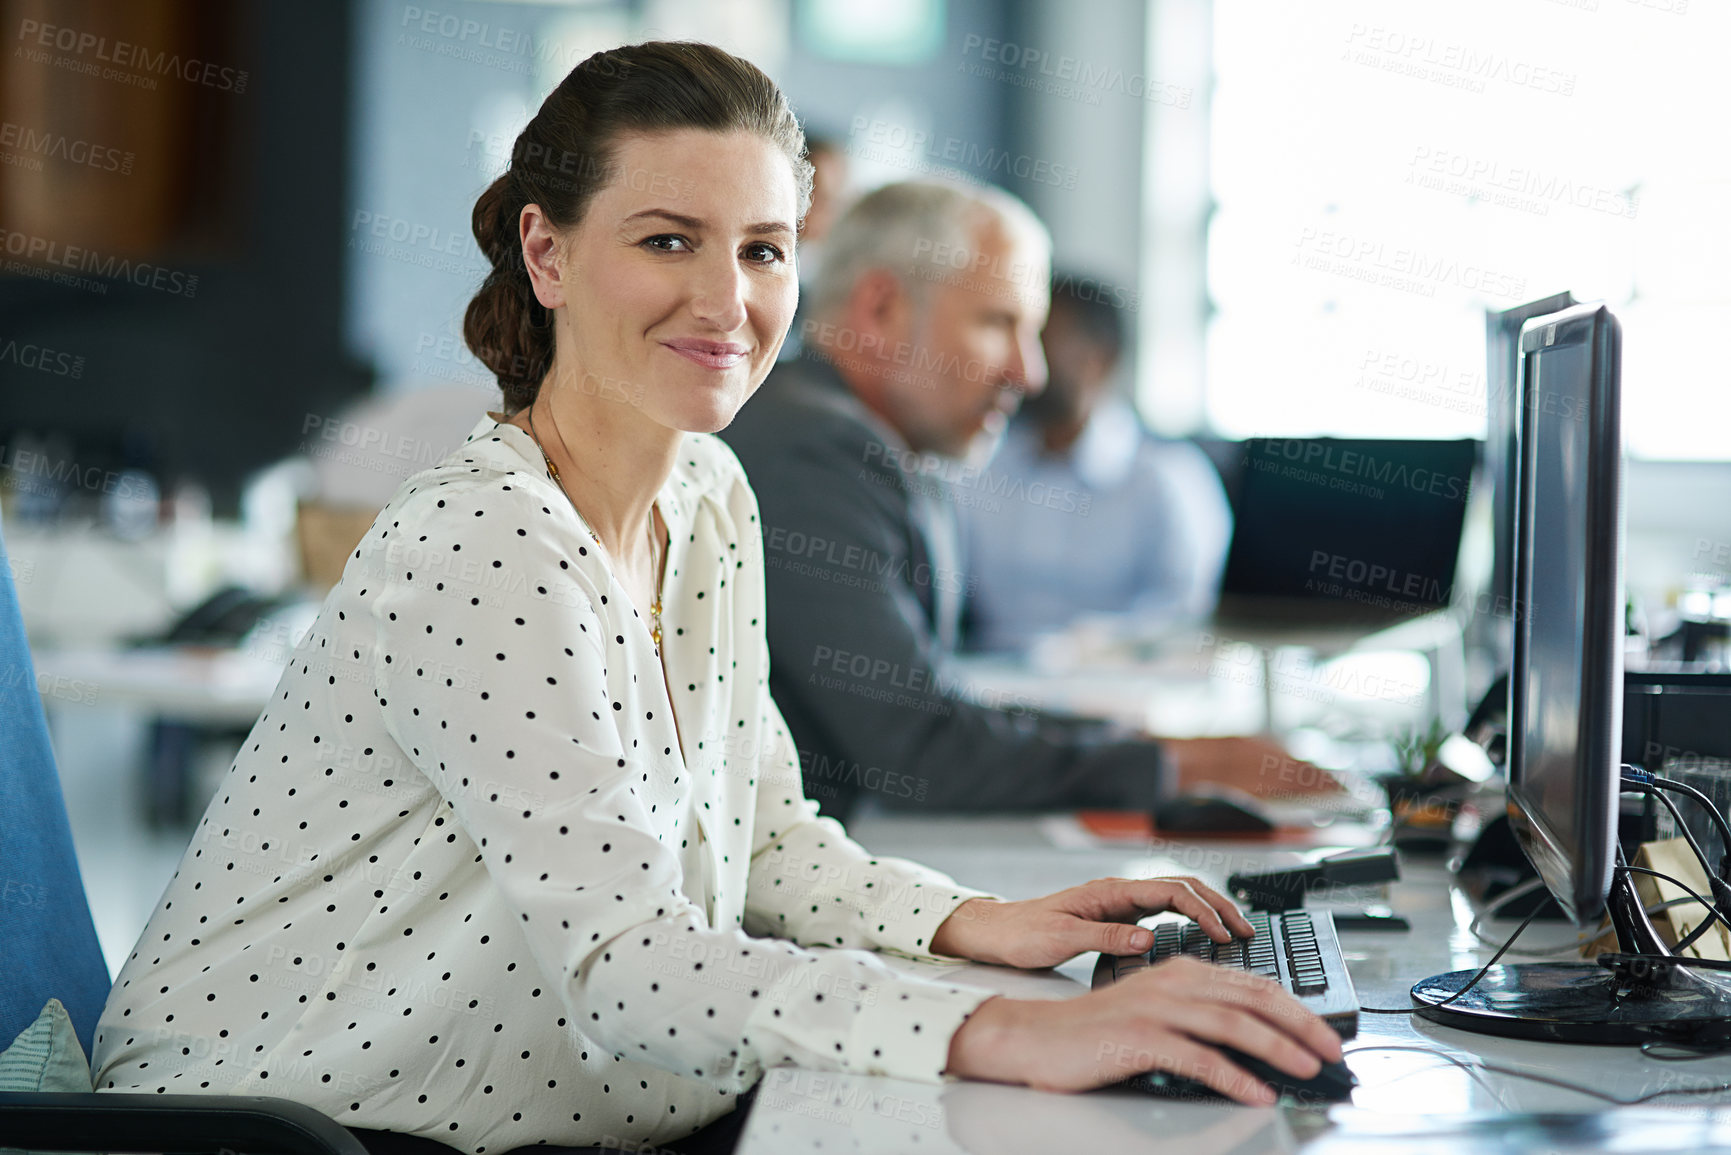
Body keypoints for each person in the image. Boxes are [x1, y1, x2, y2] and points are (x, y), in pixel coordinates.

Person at [90, 43, 1339, 1155]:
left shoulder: (712, 495)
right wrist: (1004, 1029)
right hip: (295, 1125)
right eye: (665, 240)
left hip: (552, 1109)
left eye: (762, 250)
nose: (727, 302)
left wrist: (977, 925)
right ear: (548, 253)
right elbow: (629, 965)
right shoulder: (479, 543)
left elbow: (769, 837)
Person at [722, 179, 1314, 821]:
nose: (1029, 375)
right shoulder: (818, 449)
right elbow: (917, 748)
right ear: (882, 308)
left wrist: (1143, 746)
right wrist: (1171, 768)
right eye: (999, 323)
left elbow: (935, 706)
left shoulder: (889, 449)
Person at [960, 273, 1233, 653]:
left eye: (1044, 340)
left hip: (1116, 692)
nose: (1023, 365)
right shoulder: (980, 467)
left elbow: (1179, 619)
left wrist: (1077, 653)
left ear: (1099, 359)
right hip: (983, 687)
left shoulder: (1167, 479)